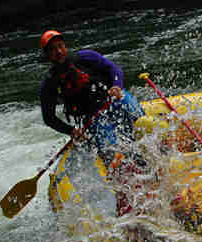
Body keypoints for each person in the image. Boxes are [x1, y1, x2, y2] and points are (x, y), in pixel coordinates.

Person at [39, 30, 146, 215]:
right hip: (93, 119)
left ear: (65, 46)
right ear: (47, 55)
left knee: (138, 118)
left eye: (60, 46)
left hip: (113, 99)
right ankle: (127, 194)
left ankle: (153, 156)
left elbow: (114, 69)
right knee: (112, 152)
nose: (58, 51)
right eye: (53, 49)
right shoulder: (49, 83)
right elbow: (48, 118)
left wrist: (116, 86)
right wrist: (71, 130)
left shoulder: (86, 57)